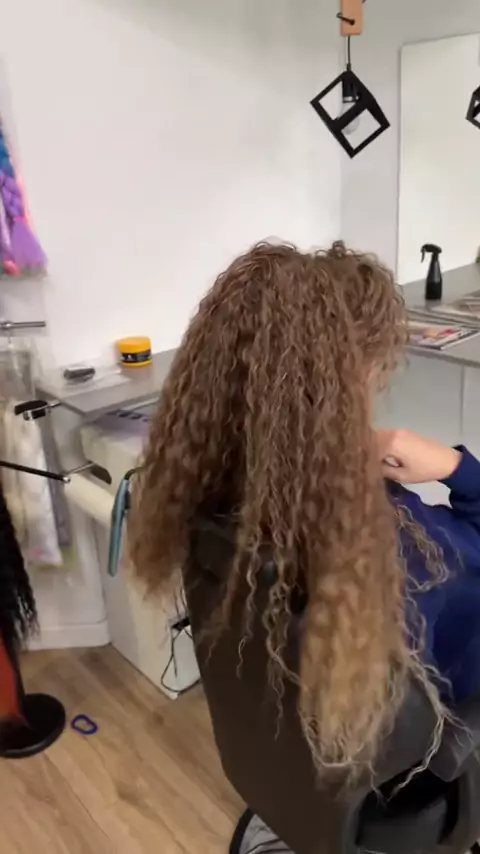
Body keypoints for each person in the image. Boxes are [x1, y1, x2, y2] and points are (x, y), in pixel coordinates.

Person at [128, 241, 480, 775]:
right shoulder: (406, 552)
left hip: (293, 759)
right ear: (350, 381)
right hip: (431, 735)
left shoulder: (214, 501)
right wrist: (455, 467)